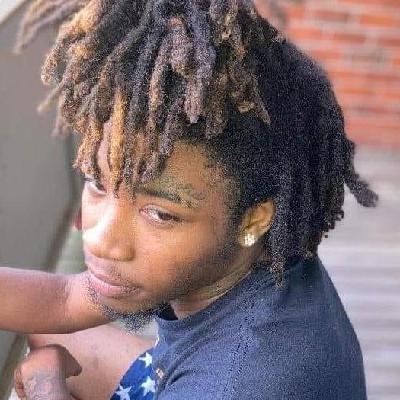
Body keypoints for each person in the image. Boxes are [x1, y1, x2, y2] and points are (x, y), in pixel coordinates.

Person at [0, 0, 378, 399]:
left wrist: (45, 385)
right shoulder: (237, 257)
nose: (101, 240)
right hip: (174, 371)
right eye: (97, 183)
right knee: (43, 328)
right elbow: (62, 301)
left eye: (160, 214)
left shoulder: (234, 383)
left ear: (254, 219)